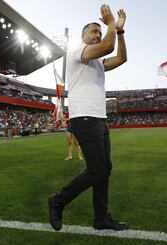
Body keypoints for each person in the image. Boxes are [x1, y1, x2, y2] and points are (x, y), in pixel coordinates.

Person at [48, 4, 128, 231]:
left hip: (99, 118)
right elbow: (107, 46)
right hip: (84, 117)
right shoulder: (76, 52)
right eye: (94, 31)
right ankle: (57, 200)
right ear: (83, 35)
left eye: (99, 32)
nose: (98, 35)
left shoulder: (98, 62)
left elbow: (121, 57)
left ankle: (101, 220)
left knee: (105, 169)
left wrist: (119, 31)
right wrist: (111, 23)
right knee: (96, 170)